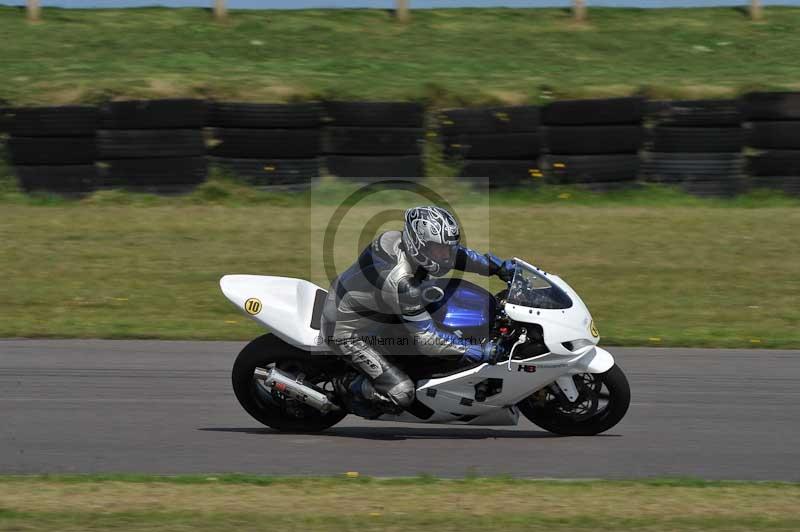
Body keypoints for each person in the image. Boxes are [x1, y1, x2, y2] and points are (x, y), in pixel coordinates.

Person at [320, 205, 516, 416]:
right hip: (346, 331)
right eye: (438, 250)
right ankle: (346, 386)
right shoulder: (402, 282)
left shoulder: (400, 240)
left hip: (378, 312)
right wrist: (474, 351)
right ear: (418, 245)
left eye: (447, 248)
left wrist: (497, 267)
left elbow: (459, 256)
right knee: (402, 392)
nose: (445, 256)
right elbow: (427, 340)